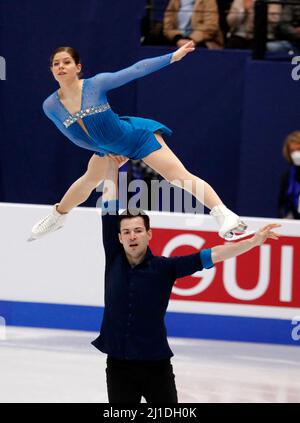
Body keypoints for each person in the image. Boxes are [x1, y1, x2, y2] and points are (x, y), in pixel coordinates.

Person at [93, 158, 280, 403]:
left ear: (149, 234)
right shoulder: (114, 257)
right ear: (118, 238)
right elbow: (108, 205)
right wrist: (111, 167)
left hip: (156, 367)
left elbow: (213, 254)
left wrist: (252, 242)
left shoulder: (165, 268)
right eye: (126, 232)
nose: (132, 236)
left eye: (138, 230)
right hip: (118, 366)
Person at [29, 43, 249, 242]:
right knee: (88, 180)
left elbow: (135, 70)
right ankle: (57, 216)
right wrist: (105, 151)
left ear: (78, 67)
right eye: (56, 64)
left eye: (66, 62)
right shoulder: (51, 105)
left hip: (138, 137)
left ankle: (224, 214)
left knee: (178, 177)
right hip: (107, 149)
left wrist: (172, 57)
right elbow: (74, 136)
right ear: (51, 71)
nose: (61, 66)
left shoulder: (96, 84)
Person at [278, 131, 300, 219]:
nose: (296, 154)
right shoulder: (288, 176)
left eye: (299, 149)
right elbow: (282, 204)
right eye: (292, 151)